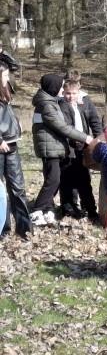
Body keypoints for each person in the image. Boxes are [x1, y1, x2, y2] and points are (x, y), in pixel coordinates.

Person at [30, 75, 93, 227]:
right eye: (60, 86)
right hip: (49, 148)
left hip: (53, 147)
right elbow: (62, 126)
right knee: (53, 180)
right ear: (54, 87)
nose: (62, 89)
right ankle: (37, 211)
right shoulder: (46, 105)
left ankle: (47, 210)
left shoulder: (49, 102)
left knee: (54, 180)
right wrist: (85, 137)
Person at [57, 71, 103, 222]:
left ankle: (90, 209)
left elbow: (94, 120)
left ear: (79, 90)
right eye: (68, 93)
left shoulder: (85, 101)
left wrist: (98, 139)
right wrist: (77, 139)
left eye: (74, 93)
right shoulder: (61, 104)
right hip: (68, 145)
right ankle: (69, 208)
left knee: (84, 179)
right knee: (67, 178)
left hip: (84, 145)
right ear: (63, 90)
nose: (71, 96)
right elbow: (66, 127)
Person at [0, 58, 32, 239]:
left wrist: (3, 52)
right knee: (0, 191)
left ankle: (24, 228)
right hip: (1, 144)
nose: (7, 78)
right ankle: (2, 229)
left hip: (12, 143)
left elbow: (13, 65)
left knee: (17, 187)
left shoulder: (6, 90)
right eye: (4, 75)